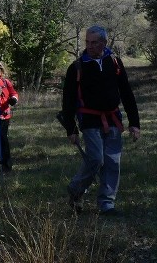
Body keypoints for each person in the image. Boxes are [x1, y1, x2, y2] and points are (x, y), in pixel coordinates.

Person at [60, 25, 141, 215]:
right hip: (89, 120)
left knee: (112, 162)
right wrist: (70, 128)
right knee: (95, 159)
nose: (90, 46)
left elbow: (127, 93)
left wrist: (134, 123)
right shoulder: (76, 67)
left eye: (94, 42)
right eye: (87, 42)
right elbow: (68, 100)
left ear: (104, 43)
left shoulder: (115, 63)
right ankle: (76, 190)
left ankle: (106, 203)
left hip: (113, 119)